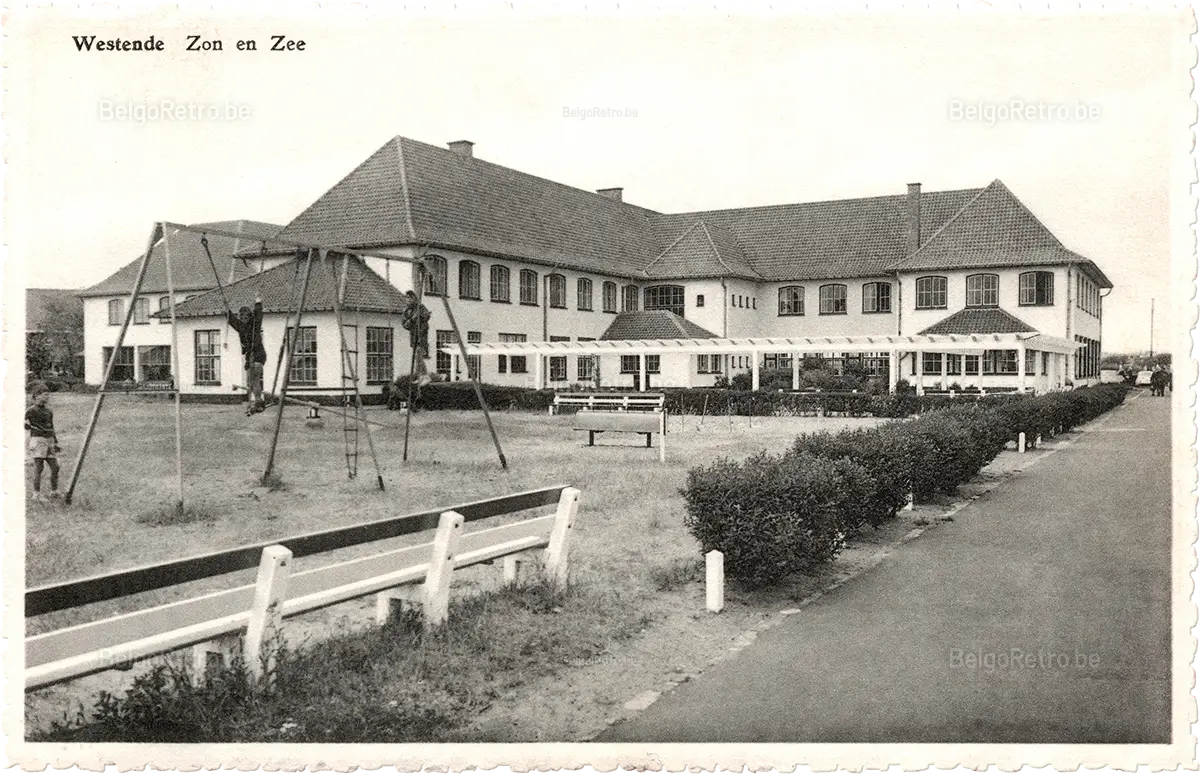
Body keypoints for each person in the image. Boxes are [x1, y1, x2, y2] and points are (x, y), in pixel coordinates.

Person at [228, 295, 267, 415]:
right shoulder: (240, 326)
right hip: (249, 356)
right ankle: (255, 402)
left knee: (254, 377)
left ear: (250, 316)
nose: (244, 319)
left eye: (246, 317)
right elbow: (230, 319)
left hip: (258, 354)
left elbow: (259, 314)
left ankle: (259, 401)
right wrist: (226, 307)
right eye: (242, 317)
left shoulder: (255, 323)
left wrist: (258, 302)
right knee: (250, 381)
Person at [25, 390, 60, 501]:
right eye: (45, 394)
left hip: (49, 440)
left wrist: (55, 442)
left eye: (48, 394)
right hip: (38, 440)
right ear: (37, 396)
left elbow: (51, 426)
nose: (47, 396)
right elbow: (23, 425)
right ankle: (36, 494)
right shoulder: (30, 410)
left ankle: (54, 492)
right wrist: (28, 426)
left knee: (55, 467)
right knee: (39, 467)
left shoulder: (49, 411)